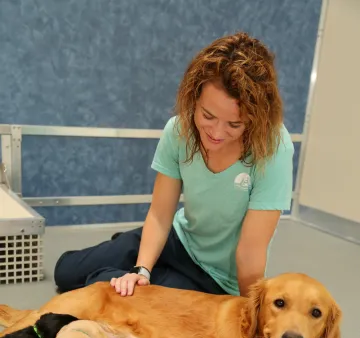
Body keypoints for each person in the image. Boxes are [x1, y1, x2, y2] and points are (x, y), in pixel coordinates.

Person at [54, 32, 293, 298]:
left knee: (103, 288)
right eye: (207, 115)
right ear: (194, 98)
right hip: (177, 239)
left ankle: (133, 266)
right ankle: (141, 256)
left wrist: (247, 316)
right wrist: (142, 270)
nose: (216, 132)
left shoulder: (274, 147)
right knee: (65, 273)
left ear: (256, 118)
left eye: (234, 124)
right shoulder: (179, 130)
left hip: (216, 280)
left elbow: (250, 252)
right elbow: (159, 214)